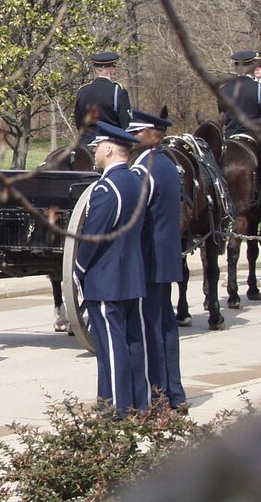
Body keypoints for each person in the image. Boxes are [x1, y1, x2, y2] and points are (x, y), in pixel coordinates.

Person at [74, 120, 147, 416]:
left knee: (110, 348)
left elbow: (93, 237)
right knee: (130, 343)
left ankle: (117, 407)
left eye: (96, 147)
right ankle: (137, 402)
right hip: (130, 275)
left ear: (108, 148)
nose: (93, 152)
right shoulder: (136, 182)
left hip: (106, 279)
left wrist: (78, 268)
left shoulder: (107, 187)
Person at [127, 109, 187, 412]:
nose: (132, 137)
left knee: (149, 329)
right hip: (165, 260)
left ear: (155, 135)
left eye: (137, 132)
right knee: (165, 328)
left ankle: (158, 397)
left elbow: (134, 220)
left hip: (147, 262)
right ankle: (175, 393)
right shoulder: (166, 164)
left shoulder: (143, 170)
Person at [74, 52, 132, 141]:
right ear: (112, 70)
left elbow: (79, 123)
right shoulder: (118, 91)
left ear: (95, 70)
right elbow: (126, 124)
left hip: (86, 143)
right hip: (111, 143)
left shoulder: (82, 91)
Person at [218, 50, 261, 136]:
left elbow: (223, 117)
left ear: (236, 67)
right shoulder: (259, 88)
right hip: (254, 138)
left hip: (230, 136)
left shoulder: (223, 90)